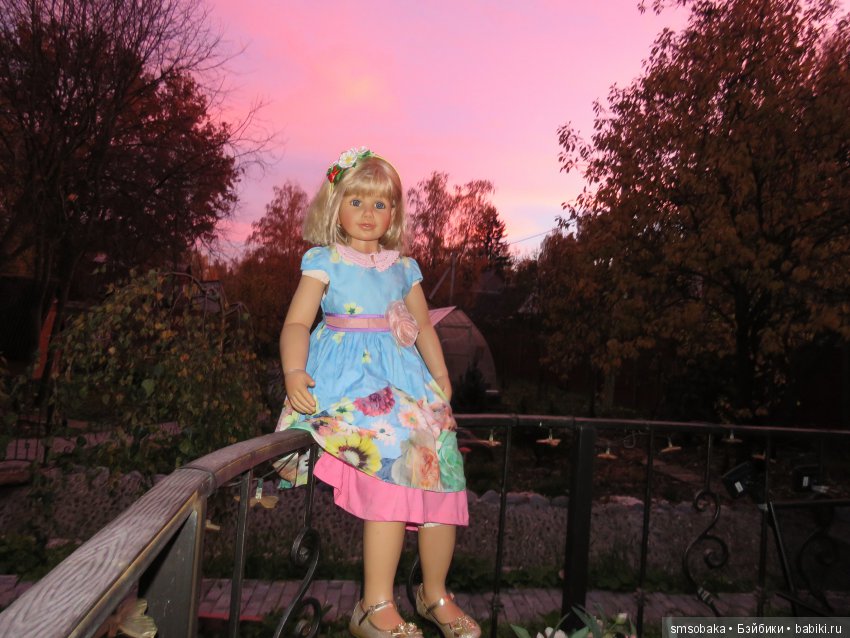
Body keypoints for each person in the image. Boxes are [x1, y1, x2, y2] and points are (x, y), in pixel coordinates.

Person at [275, 147, 480, 638]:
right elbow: (297, 322)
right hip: (351, 381)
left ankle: (435, 593)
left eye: (380, 204)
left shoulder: (402, 267)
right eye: (357, 201)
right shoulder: (326, 261)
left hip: (403, 379)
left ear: (394, 213)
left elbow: (424, 327)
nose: (368, 213)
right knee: (391, 468)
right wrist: (293, 371)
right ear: (335, 206)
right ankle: (375, 605)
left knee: (443, 462)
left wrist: (441, 374)